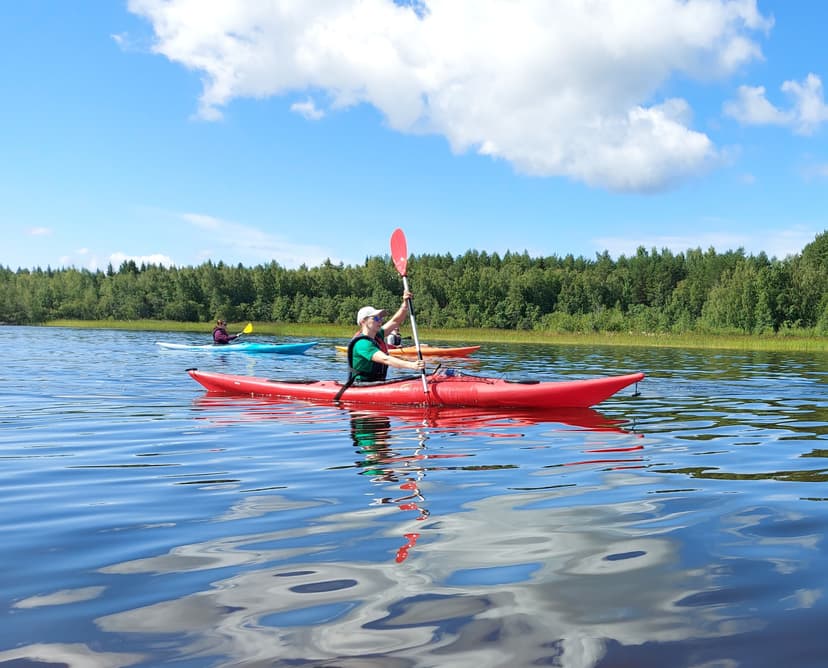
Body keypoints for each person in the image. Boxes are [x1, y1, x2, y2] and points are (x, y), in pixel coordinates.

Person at [347, 292, 425, 382]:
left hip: (377, 383)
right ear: (363, 321)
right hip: (361, 384)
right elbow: (385, 359)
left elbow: (395, 321)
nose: (380, 321)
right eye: (376, 318)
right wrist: (412, 365)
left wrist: (405, 304)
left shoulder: (377, 335)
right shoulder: (362, 343)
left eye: (380, 318)